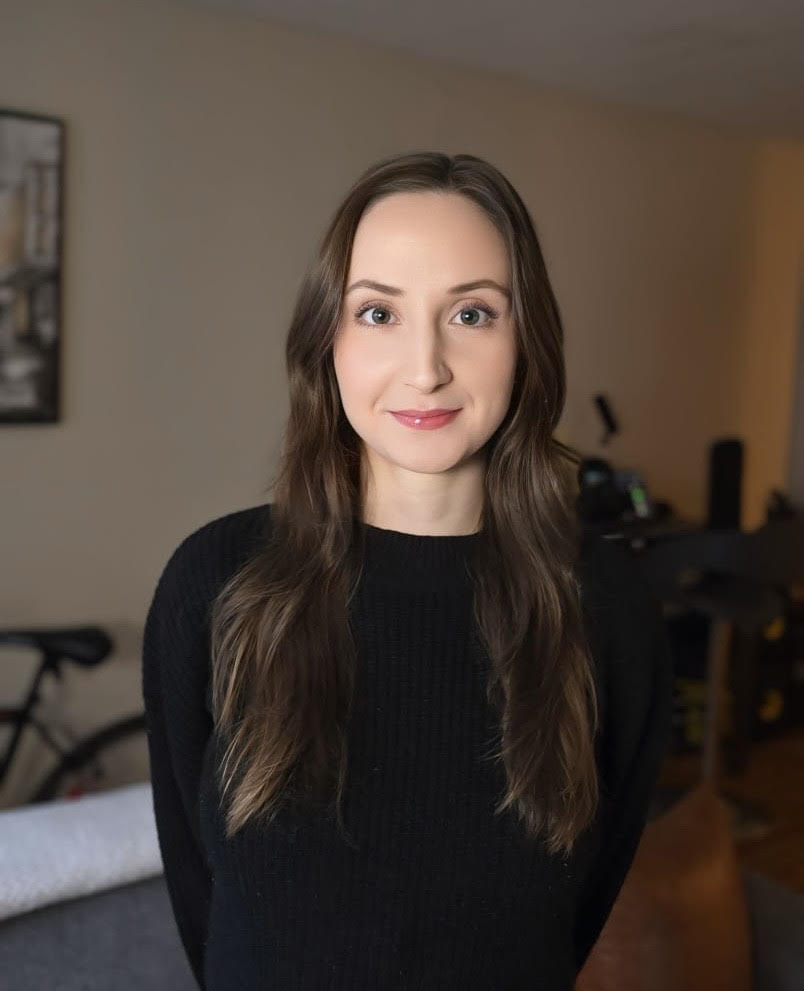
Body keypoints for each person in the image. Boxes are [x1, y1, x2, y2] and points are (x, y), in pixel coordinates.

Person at [141, 151, 674, 990]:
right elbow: (199, 894)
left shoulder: (607, 606)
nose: (426, 368)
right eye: (378, 312)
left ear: (526, 341)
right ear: (328, 339)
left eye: (472, 312)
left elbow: (579, 910)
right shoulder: (215, 582)